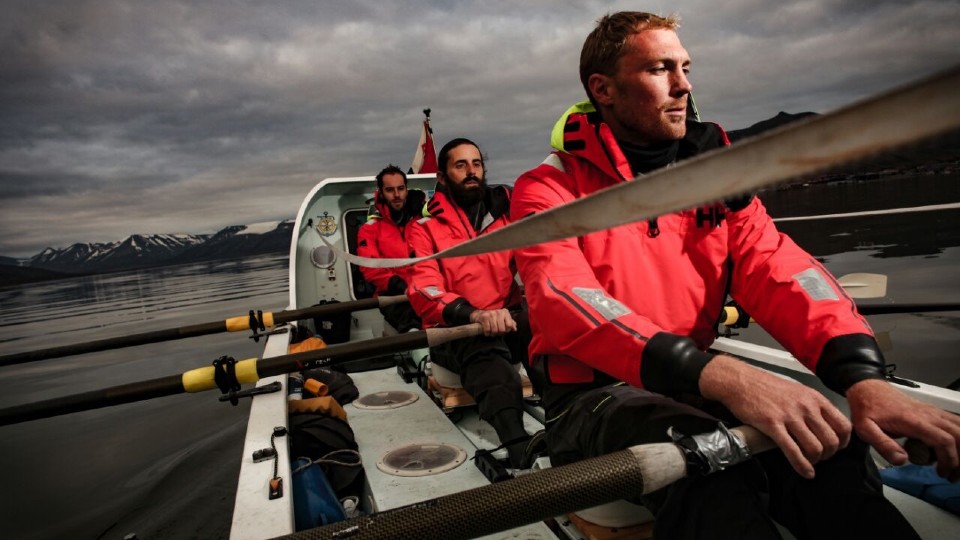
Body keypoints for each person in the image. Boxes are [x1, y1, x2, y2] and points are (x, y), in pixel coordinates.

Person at [510, 11, 960, 539]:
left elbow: (781, 271)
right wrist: (720, 375)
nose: (683, 85)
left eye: (685, 67)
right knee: (707, 464)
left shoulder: (718, 183)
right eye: (659, 69)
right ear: (603, 89)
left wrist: (862, 376)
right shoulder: (547, 189)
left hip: (692, 378)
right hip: (593, 398)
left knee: (830, 448)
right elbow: (566, 301)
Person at [406, 138, 535, 468]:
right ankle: (519, 446)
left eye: (476, 164)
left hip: (504, 318)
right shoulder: (423, 228)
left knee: (548, 329)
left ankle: (570, 417)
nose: (471, 171)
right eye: (460, 165)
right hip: (455, 329)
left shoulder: (505, 218)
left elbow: (535, 263)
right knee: (484, 349)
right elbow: (423, 288)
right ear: (442, 176)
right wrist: (474, 314)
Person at [356, 164, 425, 333]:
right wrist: (397, 284)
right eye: (390, 190)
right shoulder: (369, 229)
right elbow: (370, 267)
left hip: (426, 287)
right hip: (393, 295)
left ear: (406, 190)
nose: (396, 195)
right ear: (381, 193)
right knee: (412, 327)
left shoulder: (422, 222)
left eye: (400, 188)